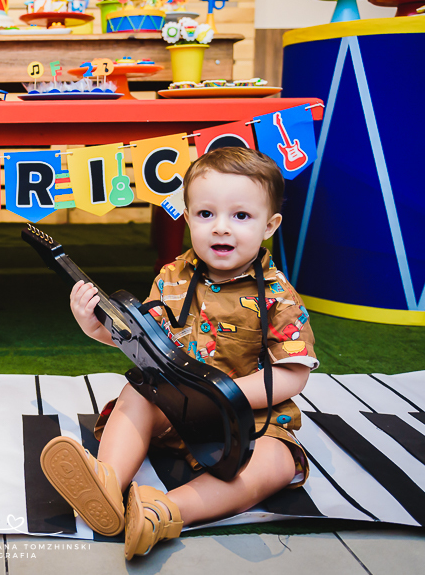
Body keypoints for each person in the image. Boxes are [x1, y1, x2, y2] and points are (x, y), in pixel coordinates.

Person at [40, 147, 318, 560]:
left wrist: (227, 394)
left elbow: (294, 374)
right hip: (177, 406)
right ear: (188, 219)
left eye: (240, 216)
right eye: (206, 215)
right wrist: (96, 328)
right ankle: (106, 484)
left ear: (269, 226)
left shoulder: (277, 295)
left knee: (278, 462)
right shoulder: (171, 277)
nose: (221, 228)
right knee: (138, 390)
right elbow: (148, 346)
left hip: (248, 421)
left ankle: (165, 510)